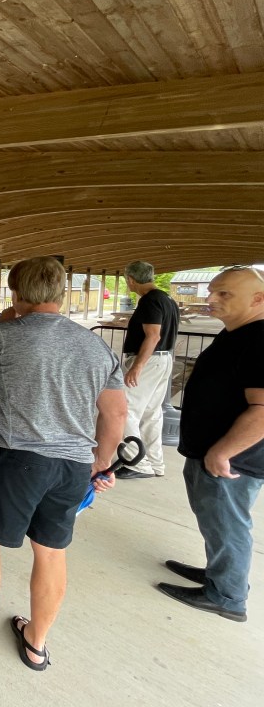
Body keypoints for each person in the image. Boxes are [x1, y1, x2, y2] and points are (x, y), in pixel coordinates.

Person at [0, 257, 125, 670]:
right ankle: (36, 642)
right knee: (51, 551)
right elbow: (116, 412)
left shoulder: (7, 332)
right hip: (72, 465)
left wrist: (0, 323)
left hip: (17, 458)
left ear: (15, 294)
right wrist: (101, 462)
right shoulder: (94, 345)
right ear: (61, 294)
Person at [157, 266, 264, 623]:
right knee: (216, 521)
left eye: (224, 293)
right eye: (212, 291)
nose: (211, 298)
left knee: (228, 524)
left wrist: (223, 451)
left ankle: (227, 596)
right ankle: (219, 574)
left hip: (232, 459)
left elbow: (262, 409)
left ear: (258, 299)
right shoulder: (237, 332)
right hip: (210, 451)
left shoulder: (259, 340)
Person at [115, 260, 179, 479]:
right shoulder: (167, 299)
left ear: (131, 279)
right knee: (151, 413)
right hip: (163, 359)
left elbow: (153, 336)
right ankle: (154, 462)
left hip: (148, 361)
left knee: (124, 409)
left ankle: (137, 463)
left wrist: (137, 367)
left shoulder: (149, 301)